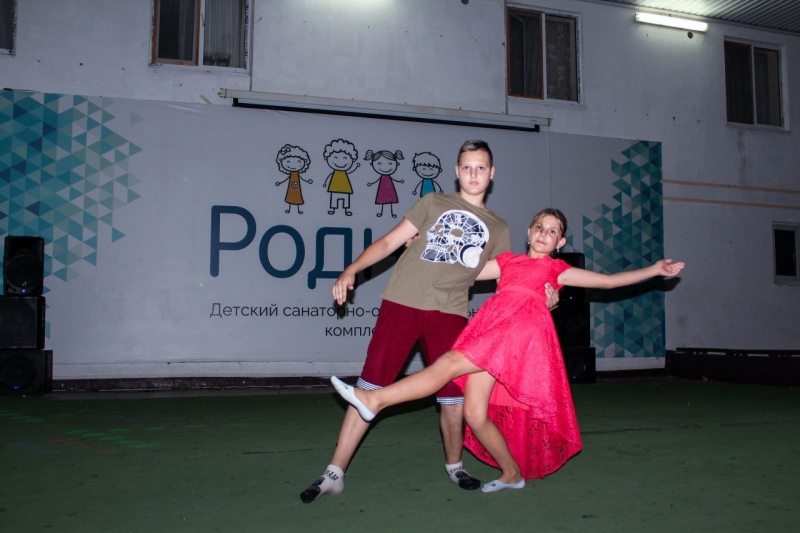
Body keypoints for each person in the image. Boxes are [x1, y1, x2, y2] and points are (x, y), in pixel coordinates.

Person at [332, 207, 685, 493]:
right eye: (539, 227)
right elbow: (460, 270)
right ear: (529, 232)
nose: (543, 233)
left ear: (560, 242)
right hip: (493, 328)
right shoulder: (508, 262)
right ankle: (512, 473)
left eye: (552, 231)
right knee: (474, 413)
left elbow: (608, 282)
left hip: (518, 336)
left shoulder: (557, 270)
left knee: (449, 363)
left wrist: (654, 270)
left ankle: (375, 399)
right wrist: (419, 247)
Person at [300, 140, 559, 503]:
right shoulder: (433, 202)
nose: (473, 174)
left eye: (481, 168)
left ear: (492, 173)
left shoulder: (498, 227)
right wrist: (351, 270)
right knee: (369, 388)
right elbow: (389, 242)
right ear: (456, 171)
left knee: (453, 398)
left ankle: (455, 466)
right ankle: (334, 472)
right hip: (401, 302)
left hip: (450, 312)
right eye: (467, 167)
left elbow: (509, 280)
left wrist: (546, 298)